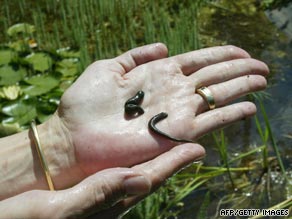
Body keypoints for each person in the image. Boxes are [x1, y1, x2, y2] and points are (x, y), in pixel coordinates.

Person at [0, 43, 269, 219]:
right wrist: (60, 140)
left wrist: (53, 142)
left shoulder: (136, 103)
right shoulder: (134, 104)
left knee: (155, 122)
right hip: (139, 113)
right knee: (154, 122)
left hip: (141, 113)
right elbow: (134, 108)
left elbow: (135, 107)